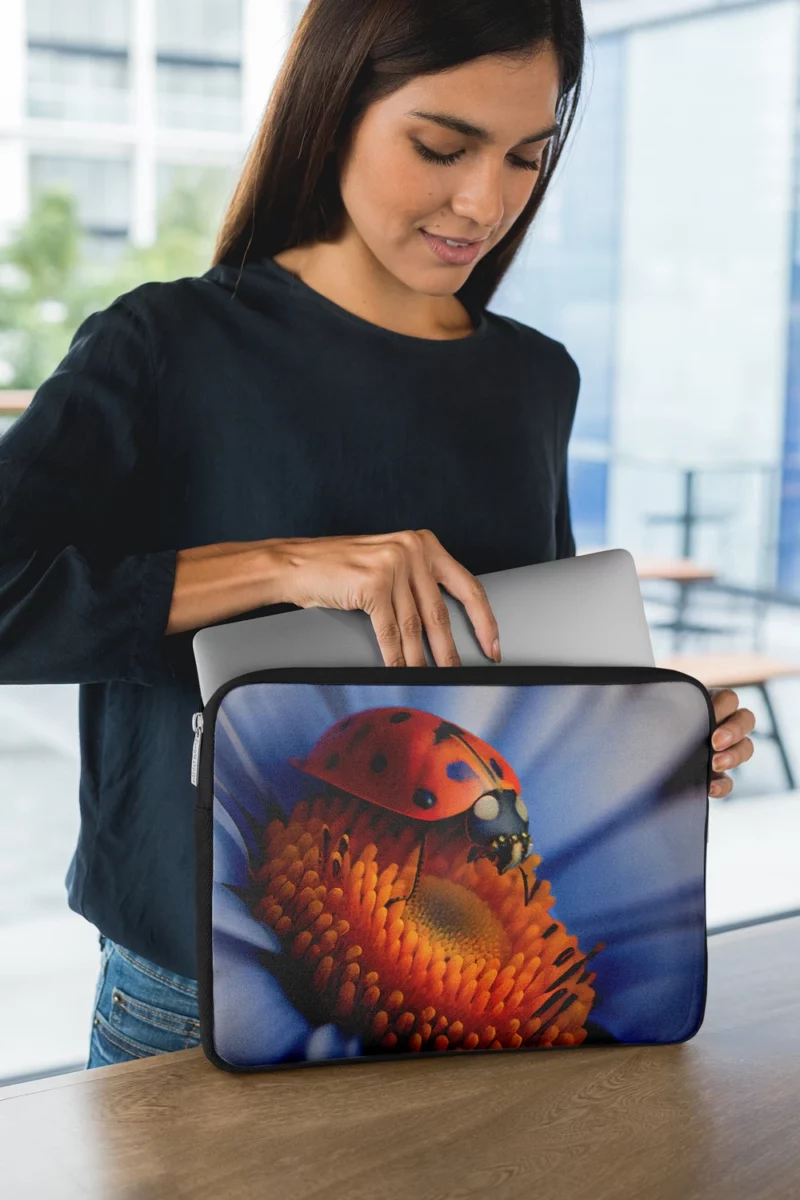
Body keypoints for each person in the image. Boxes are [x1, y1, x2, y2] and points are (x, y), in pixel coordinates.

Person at [0, 0, 755, 1070]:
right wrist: (287, 567)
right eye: (440, 147)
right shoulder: (164, 345)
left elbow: (512, 671)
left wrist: (657, 735)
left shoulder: (535, 378)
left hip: (476, 1016)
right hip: (190, 998)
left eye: (524, 158)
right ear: (332, 108)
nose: (481, 201)